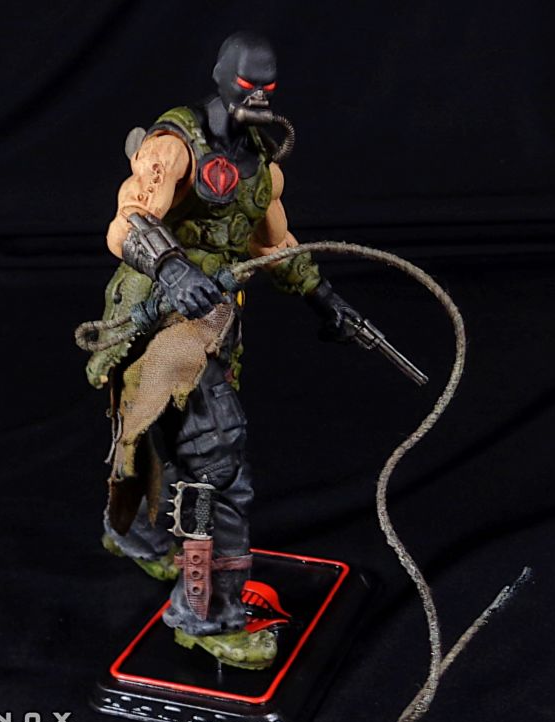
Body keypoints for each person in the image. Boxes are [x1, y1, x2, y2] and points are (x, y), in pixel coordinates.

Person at [86, 31, 360, 670]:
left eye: (266, 86)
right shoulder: (173, 146)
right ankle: (206, 613)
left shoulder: (262, 163)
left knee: (163, 438)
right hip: (156, 319)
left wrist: (326, 299)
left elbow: (274, 245)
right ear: (220, 77)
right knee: (217, 462)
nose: (256, 96)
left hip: (213, 325)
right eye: (245, 84)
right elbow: (127, 223)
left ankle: (136, 532)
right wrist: (173, 267)